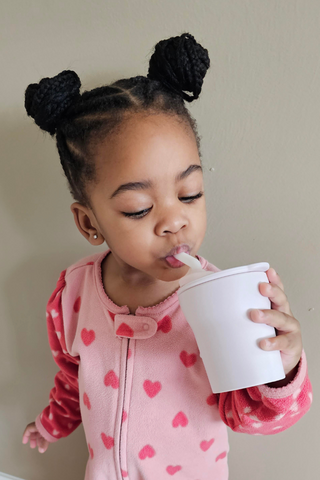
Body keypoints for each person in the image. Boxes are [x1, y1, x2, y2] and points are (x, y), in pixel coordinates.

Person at [21, 33, 312, 480]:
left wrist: (281, 369)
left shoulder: (224, 302)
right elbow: (70, 381)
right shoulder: (73, 294)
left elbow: (252, 418)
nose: (175, 222)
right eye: (139, 209)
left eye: (189, 194)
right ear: (89, 223)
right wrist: (50, 425)